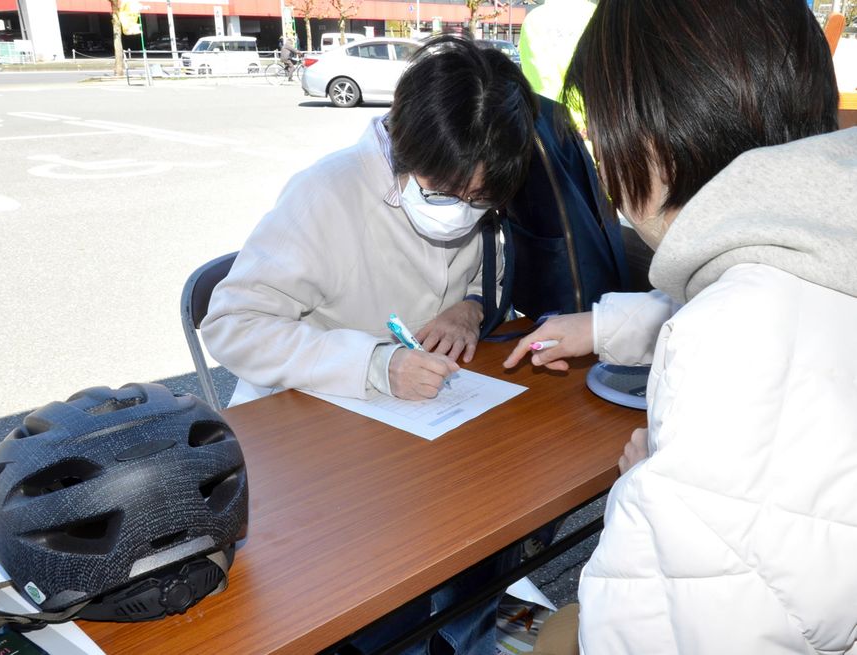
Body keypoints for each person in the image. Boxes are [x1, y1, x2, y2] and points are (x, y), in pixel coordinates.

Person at [506, 0, 857, 652]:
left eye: (602, 132)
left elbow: (640, 634)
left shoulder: (724, 347)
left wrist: (643, 488)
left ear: (658, 136)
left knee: (527, 627)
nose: (604, 168)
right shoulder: (824, 231)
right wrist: (603, 325)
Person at [203, 33, 537, 654]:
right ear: (406, 145)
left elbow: (479, 279)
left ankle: (481, 636)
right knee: (387, 595)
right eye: (442, 192)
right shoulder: (326, 193)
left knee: (493, 540)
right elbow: (232, 323)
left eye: (480, 201)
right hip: (314, 439)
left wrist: (469, 310)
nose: (459, 214)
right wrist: (376, 365)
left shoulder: (476, 186)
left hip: (423, 430)